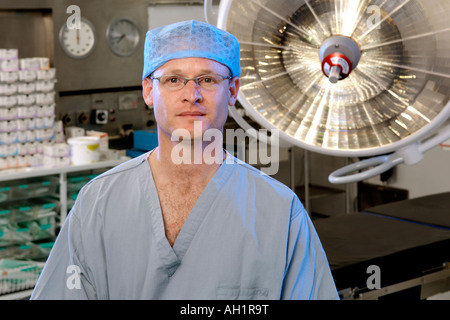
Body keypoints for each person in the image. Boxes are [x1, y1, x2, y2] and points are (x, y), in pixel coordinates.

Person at [31, 20, 339, 300]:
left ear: (232, 90)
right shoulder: (98, 204)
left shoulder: (280, 213)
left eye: (207, 79)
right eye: (174, 79)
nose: (192, 94)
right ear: (149, 91)